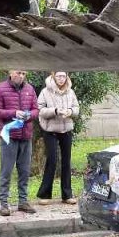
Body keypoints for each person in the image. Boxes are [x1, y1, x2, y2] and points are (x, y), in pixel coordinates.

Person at [0, 69, 39, 216]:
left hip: (26, 136)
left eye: (24, 73)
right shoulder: (0, 89)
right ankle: (4, 204)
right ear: (11, 72)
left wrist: (29, 115)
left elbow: (36, 110)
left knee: (24, 171)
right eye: (19, 72)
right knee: (6, 171)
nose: (21, 76)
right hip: (9, 136)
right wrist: (14, 113)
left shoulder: (30, 89)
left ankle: (23, 202)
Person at [36, 71, 81, 205]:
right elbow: (40, 110)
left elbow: (76, 108)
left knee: (66, 161)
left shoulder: (70, 92)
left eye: (63, 76)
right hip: (50, 130)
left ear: (67, 77)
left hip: (66, 130)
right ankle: (45, 194)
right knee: (52, 160)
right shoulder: (45, 91)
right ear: (53, 76)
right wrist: (55, 111)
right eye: (58, 76)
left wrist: (70, 112)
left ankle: (67, 195)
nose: (61, 79)